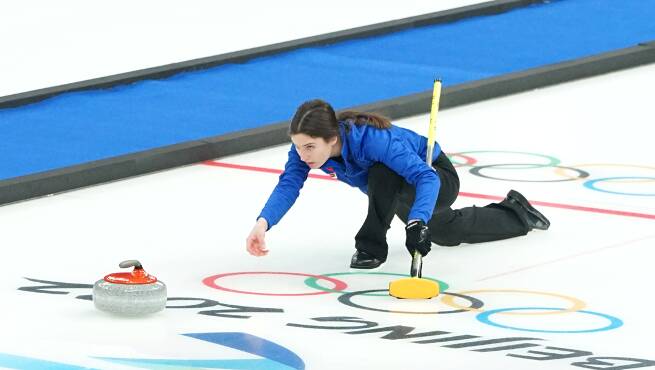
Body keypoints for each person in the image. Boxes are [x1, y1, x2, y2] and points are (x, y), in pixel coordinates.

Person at [246, 99, 550, 268]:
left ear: (333, 139)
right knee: (447, 231)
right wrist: (263, 223)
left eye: (309, 147)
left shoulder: (374, 140)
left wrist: (417, 220)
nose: (302, 154)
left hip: (437, 176)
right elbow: (288, 185)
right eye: (297, 146)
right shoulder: (306, 151)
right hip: (396, 193)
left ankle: (371, 248)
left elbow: (426, 177)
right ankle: (516, 213)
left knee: (383, 172)